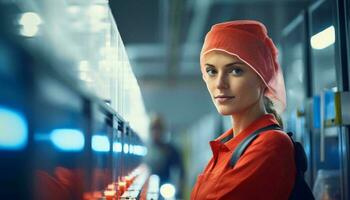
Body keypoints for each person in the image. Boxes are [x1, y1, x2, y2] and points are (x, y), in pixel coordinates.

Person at [190, 20, 296, 200]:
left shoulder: (271, 144)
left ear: (263, 76)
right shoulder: (227, 144)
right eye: (211, 71)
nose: (219, 84)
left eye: (235, 71)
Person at [144, 114, 185, 199]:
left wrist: (180, 190)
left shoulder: (172, 150)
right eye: (153, 128)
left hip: (166, 188)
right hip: (148, 187)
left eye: (158, 128)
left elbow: (181, 171)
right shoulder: (146, 148)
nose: (156, 132)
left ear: (163, 130)